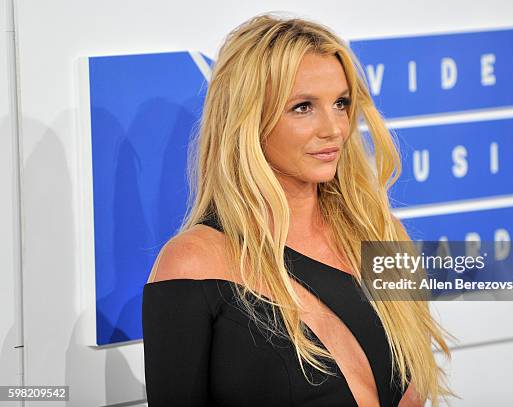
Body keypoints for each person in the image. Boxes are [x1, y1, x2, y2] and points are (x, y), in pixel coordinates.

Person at [142, 13, 452, 407]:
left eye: (340, 103)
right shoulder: (192, 263)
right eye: (303, 107)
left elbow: (413, 393)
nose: (334, 128)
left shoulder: (386, 236)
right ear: (248, 119)